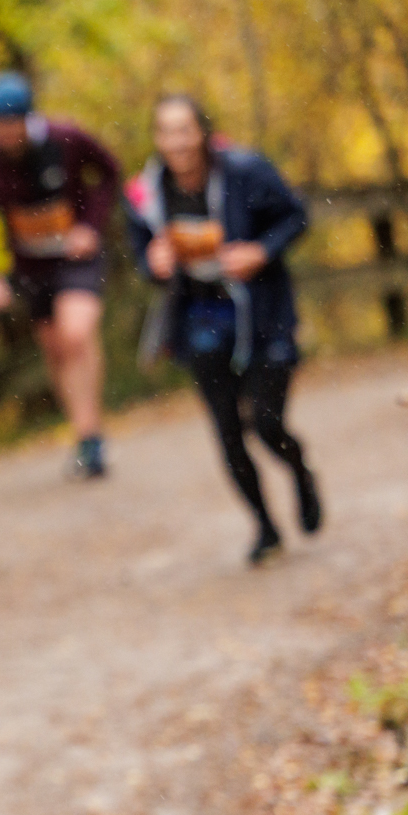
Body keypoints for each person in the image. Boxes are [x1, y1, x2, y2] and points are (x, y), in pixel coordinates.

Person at [126, 95, 320, 564]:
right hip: (200, 317)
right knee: (228, 430)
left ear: (203, 133)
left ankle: (299, 470)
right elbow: (143, 258)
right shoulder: (146, 196)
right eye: (167, 131)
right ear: (156, 139)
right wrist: (154, 263)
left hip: (262, 313)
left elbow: (296, 217)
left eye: (185, 129)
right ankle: (265, 528)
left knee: (267, 424)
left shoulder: (246, 171)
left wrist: (260, 251)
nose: (177, 142)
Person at [0, 70, 123, 477]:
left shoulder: (66, 139)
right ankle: (85, 436)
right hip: (31, 267)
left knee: (76, 333)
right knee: (56, 350)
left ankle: (92, 435)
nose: (6, 132)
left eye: (13, 122)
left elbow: (110, 172)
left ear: (29, 117)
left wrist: (91, 226)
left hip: (76, 258)